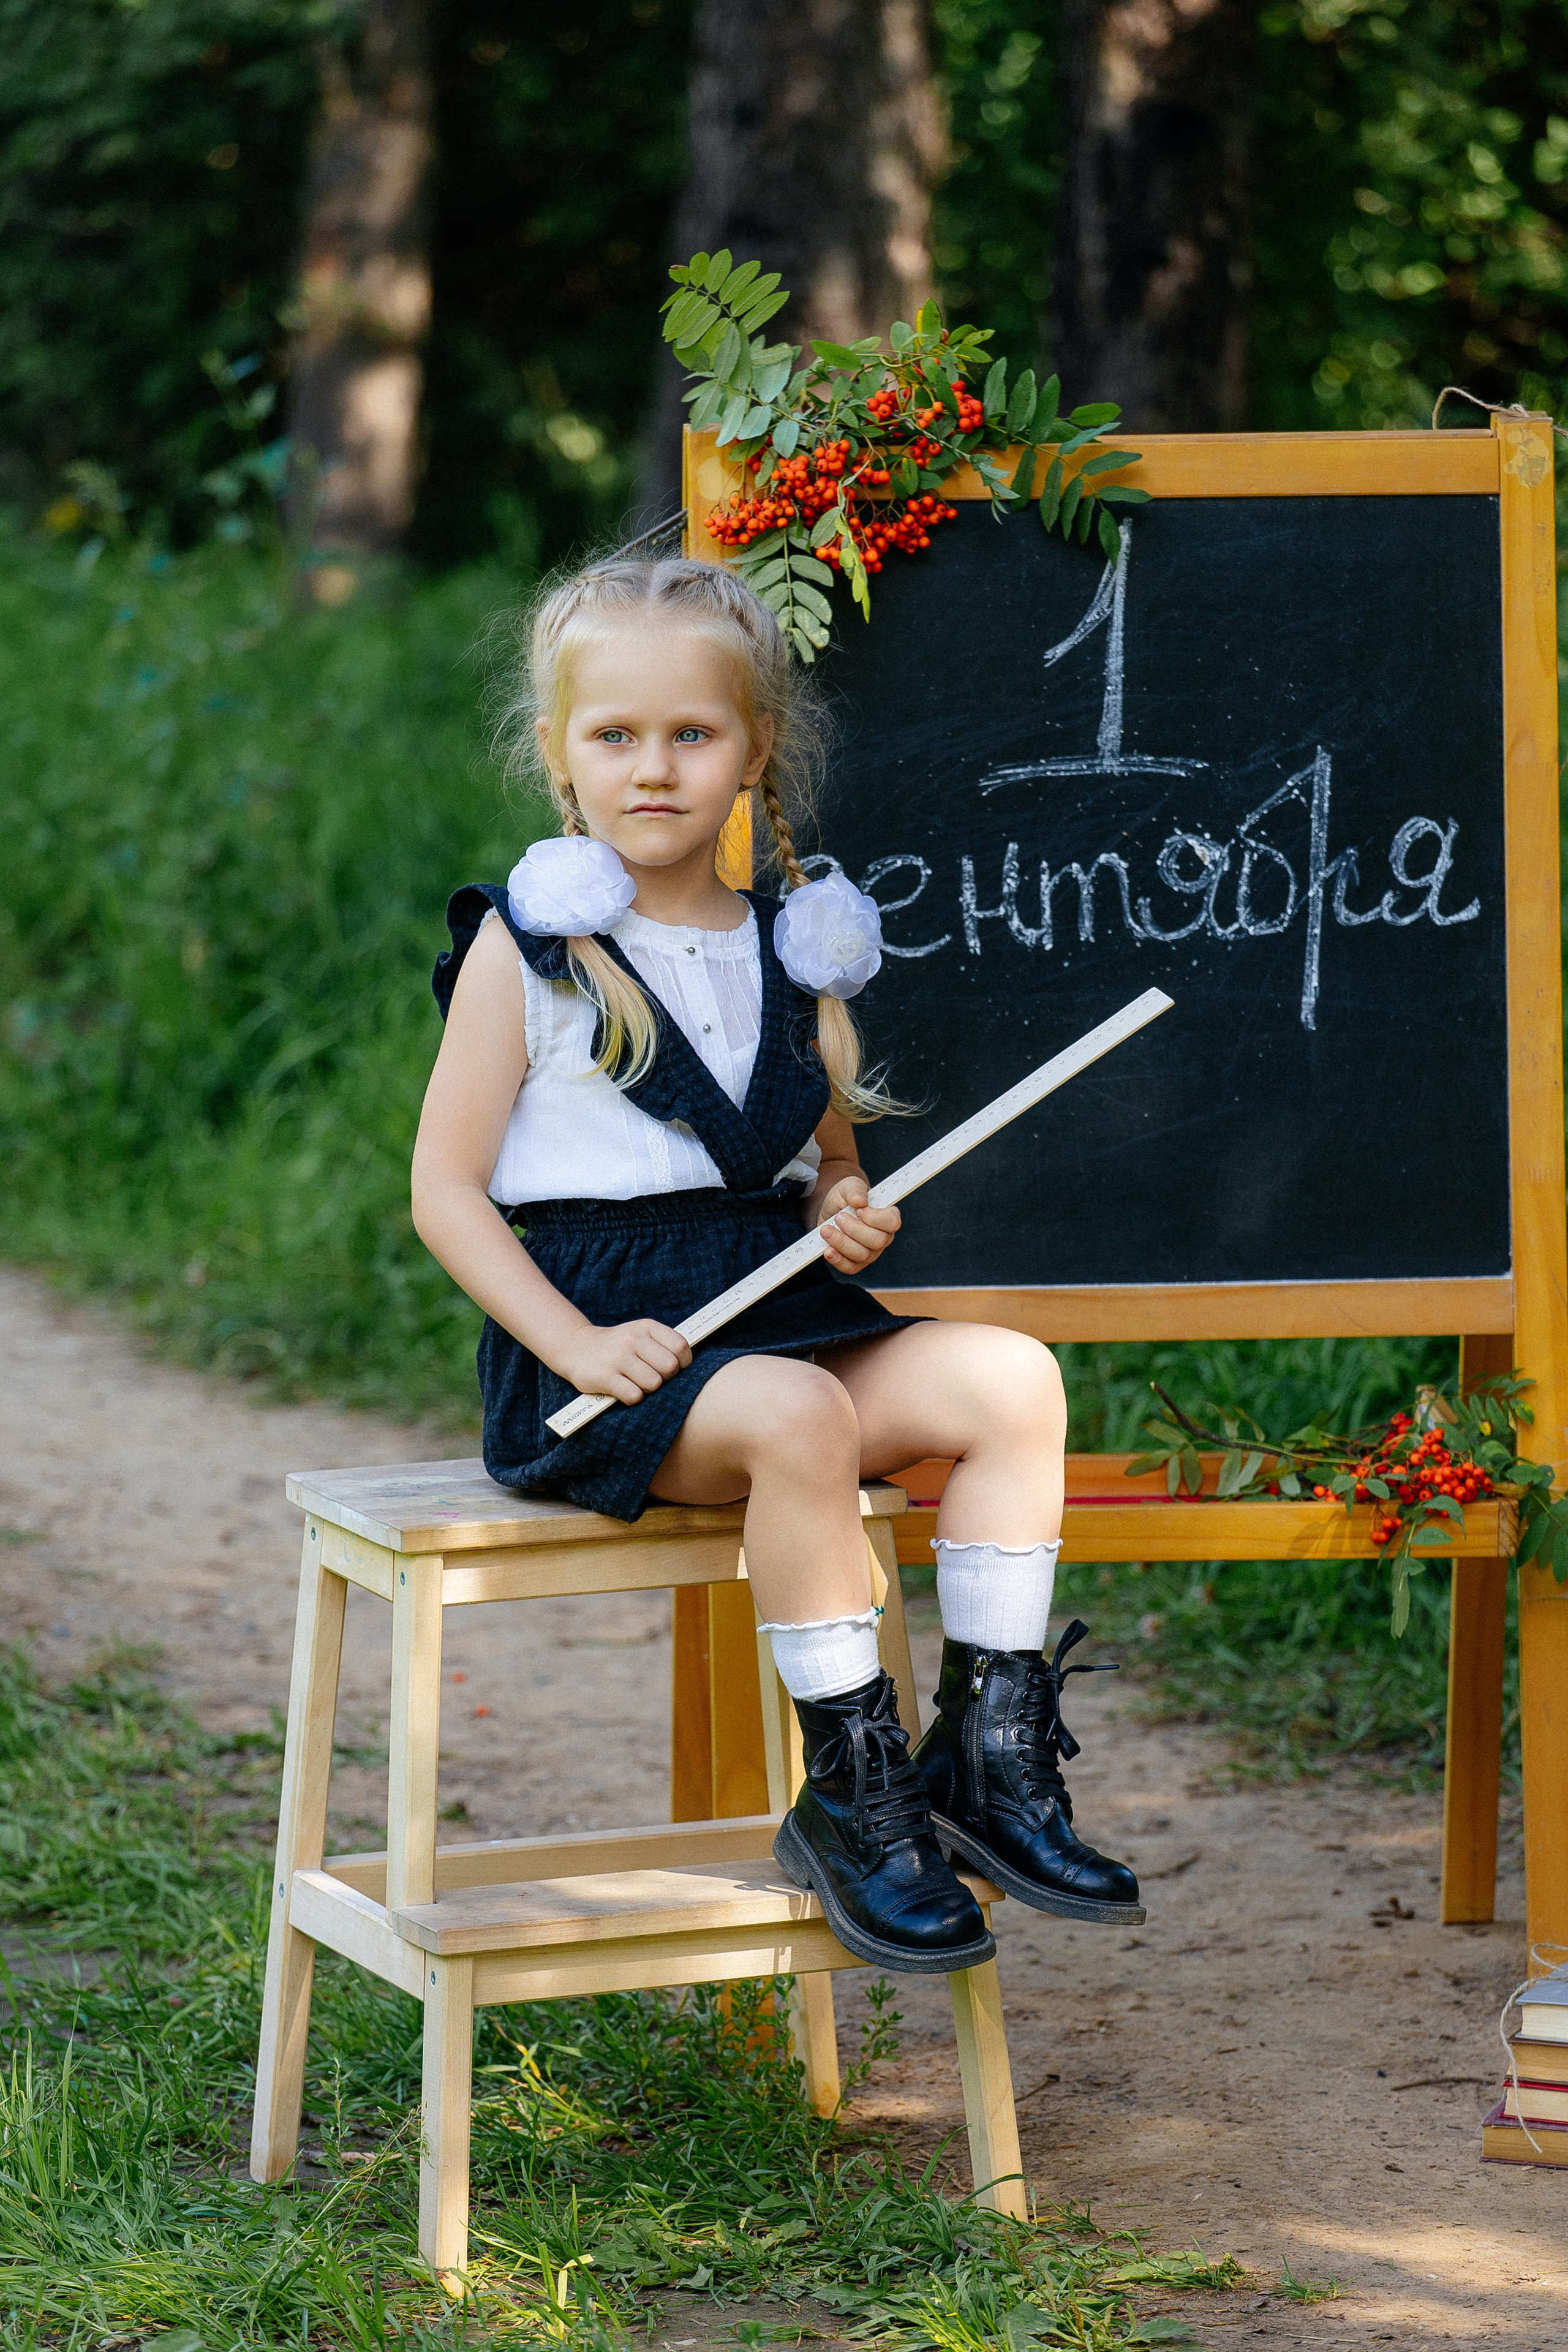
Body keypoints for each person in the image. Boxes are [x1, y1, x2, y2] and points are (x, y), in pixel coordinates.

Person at [411, 553, 1139, 1975]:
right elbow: (444, 1195)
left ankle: (985, 1760)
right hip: (606, 1351)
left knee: (1008, 1381)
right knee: (801, 1419)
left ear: (754, 751)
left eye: (691, 734)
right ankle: (853, 1798)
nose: (654, 768)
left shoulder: (787, 946)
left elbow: (820, 1167)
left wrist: (844, 1204)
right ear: (558, 754)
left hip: (775, 1307)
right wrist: (575, 1348)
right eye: (613, 736)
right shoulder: (532, 949)